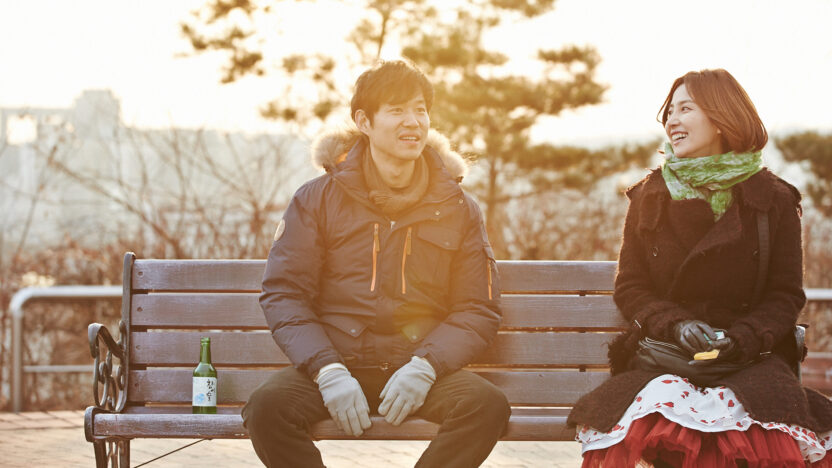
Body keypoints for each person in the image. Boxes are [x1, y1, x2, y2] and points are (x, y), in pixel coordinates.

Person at [242, 59, 510, 468]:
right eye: (397, 110)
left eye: (420, 110)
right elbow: (284, 295)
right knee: (266, 409)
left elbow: (478, 307)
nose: (413, 122)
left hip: (418, 368)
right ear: (364, 122)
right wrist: (327, 370)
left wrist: (426, 367)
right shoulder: (317, 199)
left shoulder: (458, 207)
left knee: (485, 406)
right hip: (336, 364)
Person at [567, 69, 832, 467]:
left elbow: (785, 294)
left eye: (685, 109)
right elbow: (632, 286)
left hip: (750, 358)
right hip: (665, 357)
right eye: (670, 111)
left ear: (722, 117)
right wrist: (676, 325)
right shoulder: (650, 196)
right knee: (665, 420)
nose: (672, 120)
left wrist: (742, 338)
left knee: (760, 425)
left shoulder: (773, 199)